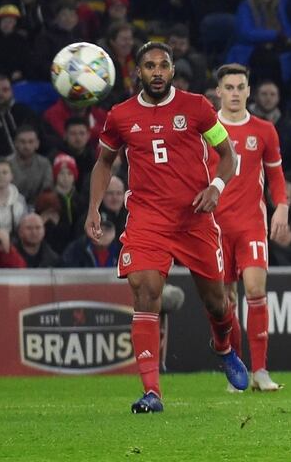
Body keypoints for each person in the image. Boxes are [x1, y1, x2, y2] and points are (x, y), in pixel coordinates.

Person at [84, 41, 246, 414]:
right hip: (147, 219)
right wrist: (93, 207)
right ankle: (152, 393)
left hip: (194, 218)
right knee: (144, 291)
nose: (157, 72)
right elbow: (104, 163)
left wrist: (216, 188)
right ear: (136, 72)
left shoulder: (197, 107)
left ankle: (222, 346)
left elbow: (228, 155)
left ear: (172, 70)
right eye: (149, 66)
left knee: (216, 302)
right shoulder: (121, 115)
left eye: (163, 65)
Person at [212, 64, 289, 392]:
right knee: (225, 300)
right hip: (214, 226)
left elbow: (275, 175)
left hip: (251, 224)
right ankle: (238, 374)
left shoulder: (264, 130)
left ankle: (260, 370)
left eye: (240, 87)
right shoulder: (206, 129)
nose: (234, 93)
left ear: (248, 90)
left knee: (256, 290)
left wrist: (281, 206)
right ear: (219, 91)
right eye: (228, 87)